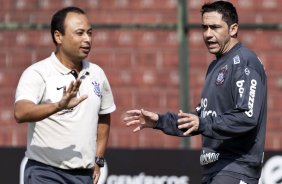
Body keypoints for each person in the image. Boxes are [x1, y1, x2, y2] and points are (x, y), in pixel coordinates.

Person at [123, 1, 267, 184]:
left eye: (215, 27)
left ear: (233, 29)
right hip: (214, 169)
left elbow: (247, 117)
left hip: (235, 168)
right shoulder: (216, 66)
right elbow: (200, 118)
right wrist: (160, 121)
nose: (208, 34)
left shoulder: (245, 62)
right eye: (204, 27)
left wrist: (203, 123)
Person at [14, 6, 116, 184]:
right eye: (79, 33)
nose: (87, 39)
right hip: (45, 172)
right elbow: (20, 113)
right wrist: (58, 106)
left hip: (84, 175)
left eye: (89, 33)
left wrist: (98, 158)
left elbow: (104, 116)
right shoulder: (38, 73)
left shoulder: (97, 74)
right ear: (58, 36)